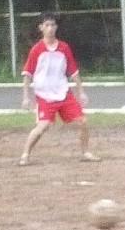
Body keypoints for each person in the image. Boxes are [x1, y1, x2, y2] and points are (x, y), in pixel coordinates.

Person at [18, 11, 96, 166]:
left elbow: (73, 71)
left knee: (82, 122)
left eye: (53, 25)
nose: (50, 28)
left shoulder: (64, 48)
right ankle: (25, 154)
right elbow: (27, 74)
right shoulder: (36, 50)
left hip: (63, 93)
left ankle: (85, 153)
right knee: (42, 127)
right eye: (47, 25)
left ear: (56, 27)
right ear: (41, 27)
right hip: (45, 96)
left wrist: (81, 92)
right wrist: (26, 97)